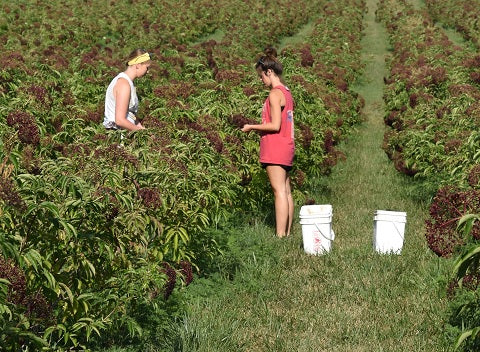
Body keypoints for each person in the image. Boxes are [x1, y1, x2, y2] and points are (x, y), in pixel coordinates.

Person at [241, 47, 295, 238]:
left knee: (278, 190)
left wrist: (251, 127)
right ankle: (287, 233)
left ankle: (280, 235)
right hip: (287, 145)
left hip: (275, 147)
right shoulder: (286, 92)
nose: (260, 80)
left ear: (269, 72)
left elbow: (274, 125)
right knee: (286, 191)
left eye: (261, 76)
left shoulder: (274, 94)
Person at [103, 49, 151, 131]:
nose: (148, 72)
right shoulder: (123, 84)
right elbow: (120, 120)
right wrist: (141, 132)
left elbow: (129, 113)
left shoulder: (127, 82)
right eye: (147, 68)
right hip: (118, 136)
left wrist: (138, 124)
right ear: (138, 65)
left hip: (124, 134)